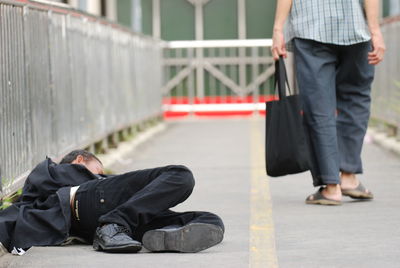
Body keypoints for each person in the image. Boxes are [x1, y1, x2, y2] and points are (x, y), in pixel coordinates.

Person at [271, 0, 386, 205]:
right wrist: (375, 30)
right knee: (356, 99)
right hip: (356, 27)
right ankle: (348, 175)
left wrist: (278, 28)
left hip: (311, 27)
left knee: (318, 105)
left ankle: (331, 186)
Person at [0, 150, 224, 253]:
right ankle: (112, 226)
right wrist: (101, 180)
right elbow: (35, 190)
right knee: (180, 175)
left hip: (101, 225)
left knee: (210, 220)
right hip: (89, 203)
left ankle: (163, 236)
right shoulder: (59, 172)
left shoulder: (47, 190)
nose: (102, 174)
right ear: (79, 161)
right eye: (99, 169)